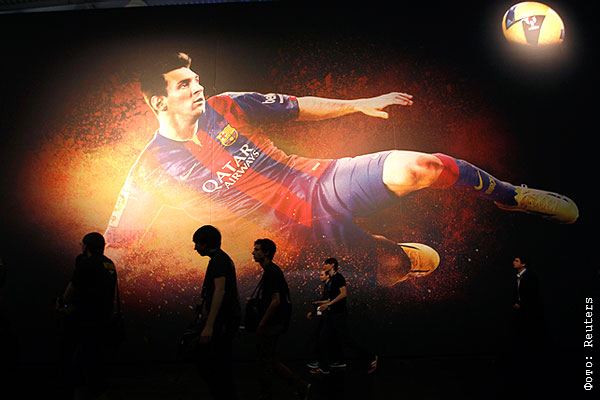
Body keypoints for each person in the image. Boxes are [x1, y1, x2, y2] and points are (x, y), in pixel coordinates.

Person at [104, 51, 578, 286]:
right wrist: (86, 291)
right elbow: (117, 244)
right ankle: (393, 255)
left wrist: (358, 103)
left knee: (422, 165)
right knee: (387, 269)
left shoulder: (227, 106)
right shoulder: (150, 169)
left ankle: (512, 196)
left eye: (195, 79)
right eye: (184, 85)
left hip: (319, 182)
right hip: (289, 240)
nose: (197, 88)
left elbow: (297, 106)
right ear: (159, 102)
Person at [56, 232, 119, 400]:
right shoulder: (109, 264)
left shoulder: (85, 265)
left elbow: (69, 293)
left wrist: (63, 304)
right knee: (99, 369)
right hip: (104, 323)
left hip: (86, 324)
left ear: (86, 247)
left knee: (79, 369)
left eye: (82, 244)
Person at [252, 238, 310, 400]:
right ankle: (300, 386)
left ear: (266, 252)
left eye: (257, 249)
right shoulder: (271, 270)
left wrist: (262, 323)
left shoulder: (271, 272)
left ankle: (271, 392)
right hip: (276, 322)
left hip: (272, 323)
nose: (253, 252)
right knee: (269, 359)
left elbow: (276, 300)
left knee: (266, 360)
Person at [191, 225, 241, 400]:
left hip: (222, 321)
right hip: (227, 320)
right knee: (220, 364)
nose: (195, 248)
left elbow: (220, 290)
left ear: (205, 243)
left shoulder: (218, 260)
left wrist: (209, 325)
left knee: (215, 365)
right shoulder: (223, 259)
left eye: (197, 243)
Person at [310, 258, 377, 375]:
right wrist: (322, 303)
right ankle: (325, 367)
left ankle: (371, 357)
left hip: (338, 314)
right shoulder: (332, 279)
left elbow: (343, 294)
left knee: (345, 340)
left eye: (326, 264)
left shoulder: (338, 277)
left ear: (332, 265)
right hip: (332, 314)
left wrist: (328, 304)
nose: (324, 266)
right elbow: (332, 298)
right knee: (325, 339)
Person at [305, 268, 331, 369]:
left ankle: (321, 364)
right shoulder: (327, 286)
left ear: (327, 276)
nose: (320, 277)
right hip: (324, 316)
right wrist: (316, 313)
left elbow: (326, 301)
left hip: (327, 316)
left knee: (321, 339)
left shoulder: (329, 287)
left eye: (322, 275)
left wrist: (314, 313)